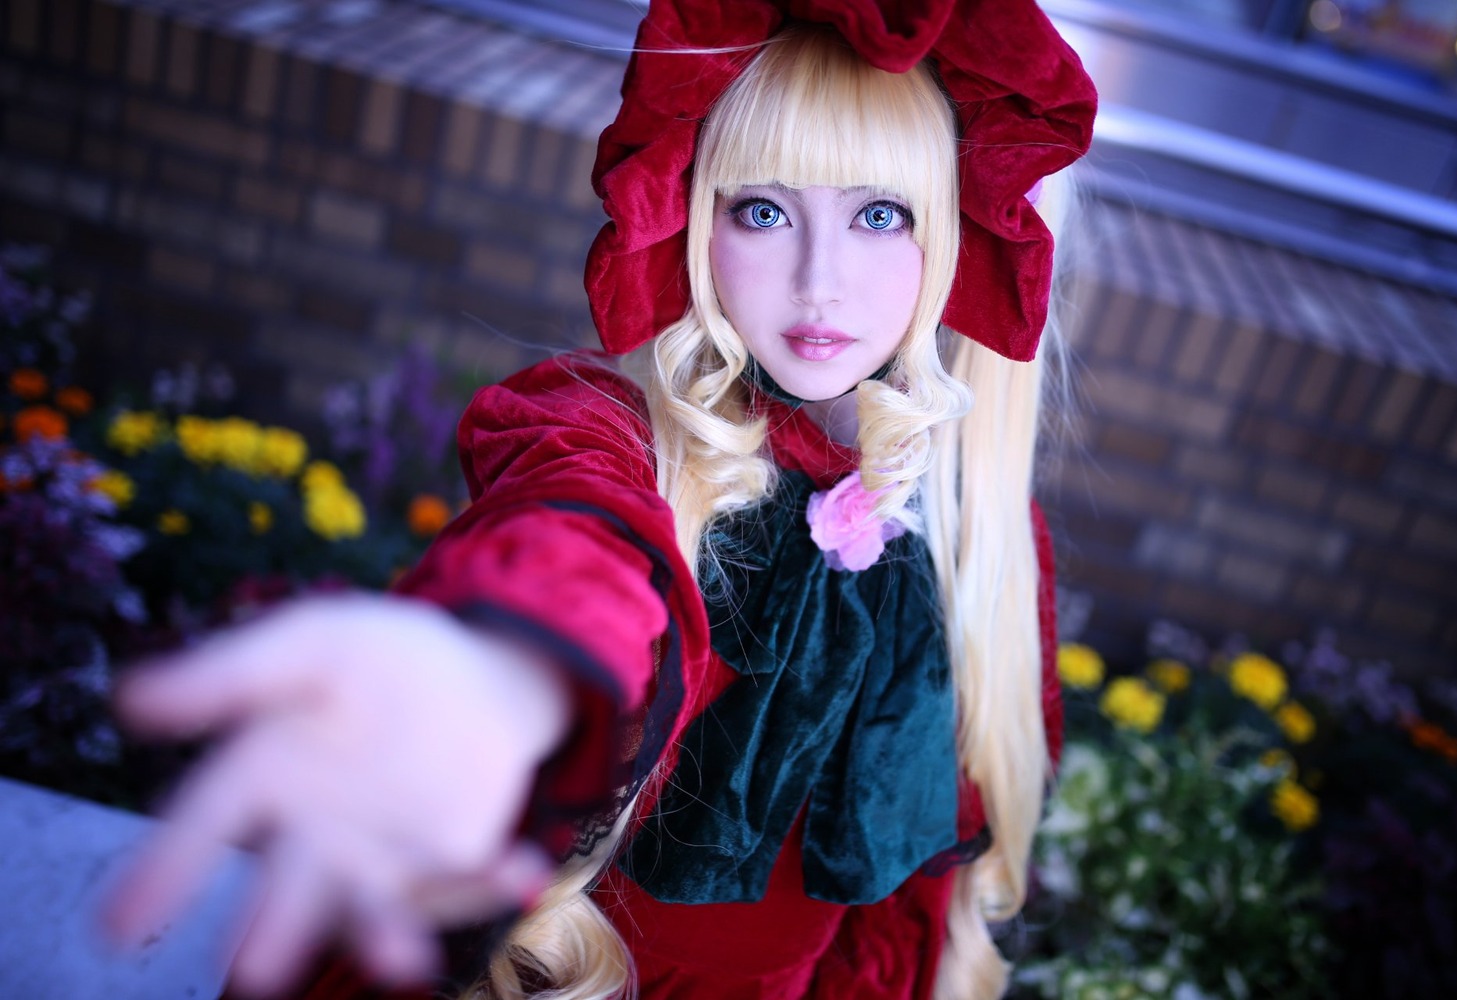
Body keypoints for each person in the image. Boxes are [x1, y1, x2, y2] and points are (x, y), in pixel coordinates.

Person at [104, 2, 1096, 998]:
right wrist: (501, 673)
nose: (819, 282)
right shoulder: (613, 433)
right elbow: (571, 542)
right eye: (762, 209)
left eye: (880, 214)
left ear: (953, 233)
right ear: (697, 220)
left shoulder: (988, 536)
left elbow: (903, 899)